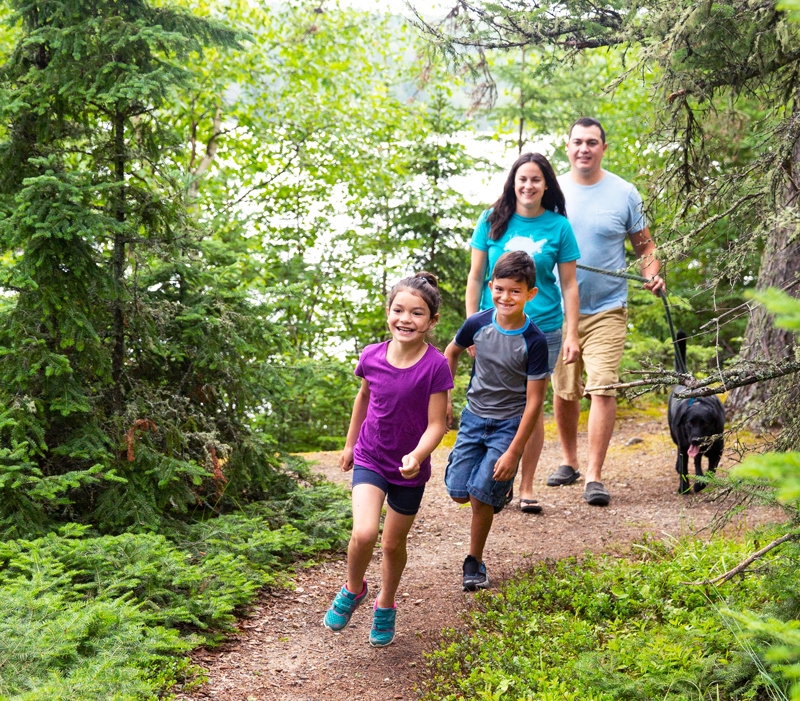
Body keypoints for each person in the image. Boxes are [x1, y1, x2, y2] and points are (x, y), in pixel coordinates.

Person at [323, 272, 453, 647]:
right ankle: (353, 588)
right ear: (388, 312)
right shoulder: (371, 355)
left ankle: (386, 603)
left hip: (409, 468)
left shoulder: (435, 366)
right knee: (364, 532)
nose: (405, 319)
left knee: (393, 545)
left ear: (431, 321)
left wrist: (418, 454)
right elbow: (363, 398)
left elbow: (436, 425)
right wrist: (350, 445)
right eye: (398, 310)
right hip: (370, 457)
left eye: (417, 313)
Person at [548, 117, 665, 506]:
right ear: (567, 147)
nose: (584, 148)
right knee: (564, 391)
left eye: (592, 142)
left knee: (602, 386)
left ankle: (594, 476)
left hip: (607, 308)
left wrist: (652, 276)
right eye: (577, 142)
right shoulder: (552, 191)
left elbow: (645, 247)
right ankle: (568, 461)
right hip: (559, 311)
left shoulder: (624, 193)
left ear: (603, 148)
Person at [465, 152, 580, 515]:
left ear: (547, 185)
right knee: (491, 401)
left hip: (542, 329)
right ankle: (489, 475)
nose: (528, 186)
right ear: (512, 182)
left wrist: (573, 333)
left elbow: (570, 285)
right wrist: (472, 325)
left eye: (535, 180)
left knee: (531, 407)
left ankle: (526, 484)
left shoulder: (559, 226)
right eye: (522, 179)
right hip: (493, 327)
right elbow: (475, 276)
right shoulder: (492, 220)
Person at [445, 251, 549, 591]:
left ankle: (473, 561)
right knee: (459, 492)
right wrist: (444, 400)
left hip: (509, 423)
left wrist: (513, 452)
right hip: (473, 418)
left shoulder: (534, 340)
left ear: (530, 294)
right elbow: (451, 352)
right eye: (500, 289)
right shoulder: (477, 323)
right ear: (490, 286)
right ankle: (494, 491)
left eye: (515, 291)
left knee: (480, 497)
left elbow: (535, 403)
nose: (506, 297)